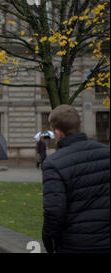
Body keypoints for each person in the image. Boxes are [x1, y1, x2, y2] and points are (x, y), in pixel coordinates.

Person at [42, 104, 110, 253]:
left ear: (58, 133)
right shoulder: (107, 153)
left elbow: (54, 211)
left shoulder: (53, 163)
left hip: (75, 245)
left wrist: (49, 242)